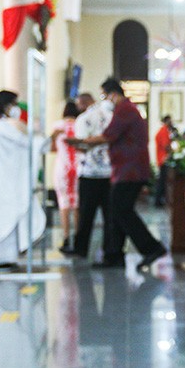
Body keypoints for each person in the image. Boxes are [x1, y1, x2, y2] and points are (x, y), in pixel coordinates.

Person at [68, 78, 166, 271]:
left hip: (130, 170)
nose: (104, 100)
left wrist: (83, 142)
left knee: (121, 210)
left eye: (105, 95)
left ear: (113, 94)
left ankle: (151, 248)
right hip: (126, 169)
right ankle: (114, 255)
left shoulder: (125, 110)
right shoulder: (125, 110)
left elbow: (107, 136)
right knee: (116, 211)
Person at [0, 90, 46, 273]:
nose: (16, 109)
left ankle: (3, 258)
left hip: (0, 180)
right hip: (2, 183)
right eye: (14, 104)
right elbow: (25, 144)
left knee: (1, 219)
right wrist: (41, 139)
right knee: (3, 219)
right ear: (6, 105)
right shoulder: (0, 126)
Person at [67, 93, 113, 260]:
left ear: (83, 102)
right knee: (110, 216)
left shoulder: (83, 119)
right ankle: (110, 250)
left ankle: (81, 248)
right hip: (109, 172)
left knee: (86, 214)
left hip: (89, 173)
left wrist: (75, 143)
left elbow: (81, 146)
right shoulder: (111, 116)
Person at [52, 101, 81, 254]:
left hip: (61, 167)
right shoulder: (80, 124)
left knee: (63, 203)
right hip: (78, 167)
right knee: (76, 203)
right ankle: (78, 237)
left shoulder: (57, 126)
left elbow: (52, 147)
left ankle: (65, 237)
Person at [153, 115, 176, 207]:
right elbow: (166, 146)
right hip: (163, 160)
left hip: (162, 159)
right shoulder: (163, 131)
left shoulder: (164, 130)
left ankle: (159, 200)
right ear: (167, 121)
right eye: (170, 121)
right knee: (162, 182)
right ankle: (158, 201)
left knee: (162, 181)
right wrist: (174, 150)